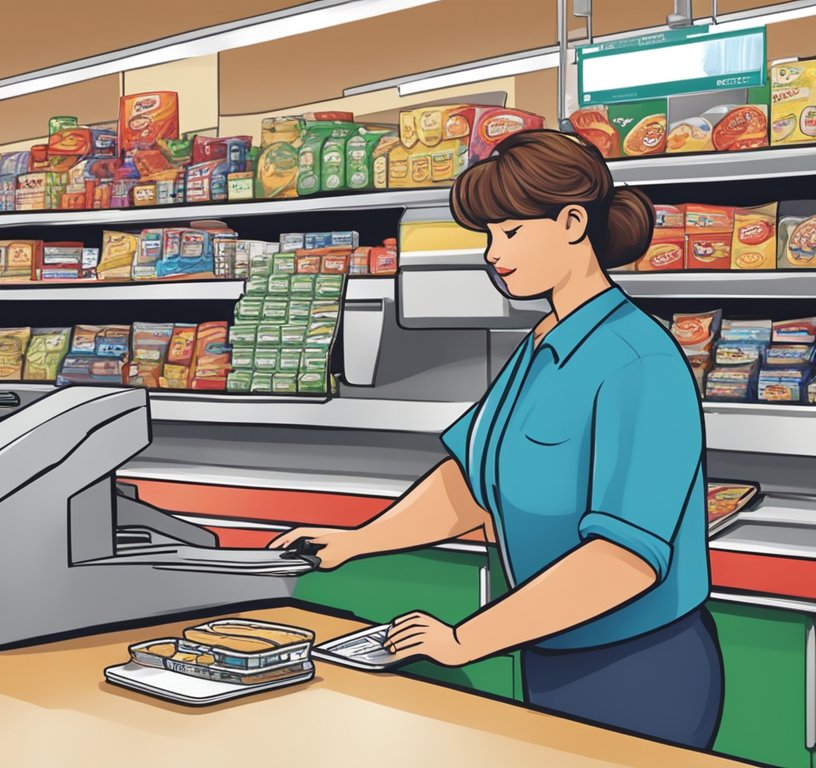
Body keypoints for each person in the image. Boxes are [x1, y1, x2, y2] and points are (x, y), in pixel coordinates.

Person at [271, 130, 723, 749]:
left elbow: (624, 561)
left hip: (639, 665)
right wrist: (358, 541)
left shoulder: (638, 360)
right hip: (550, 649)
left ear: (571, 222)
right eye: (488, 235)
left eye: (509, 232)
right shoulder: (540, 346)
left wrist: (465, 640)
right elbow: (473, 482)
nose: (492, 253)